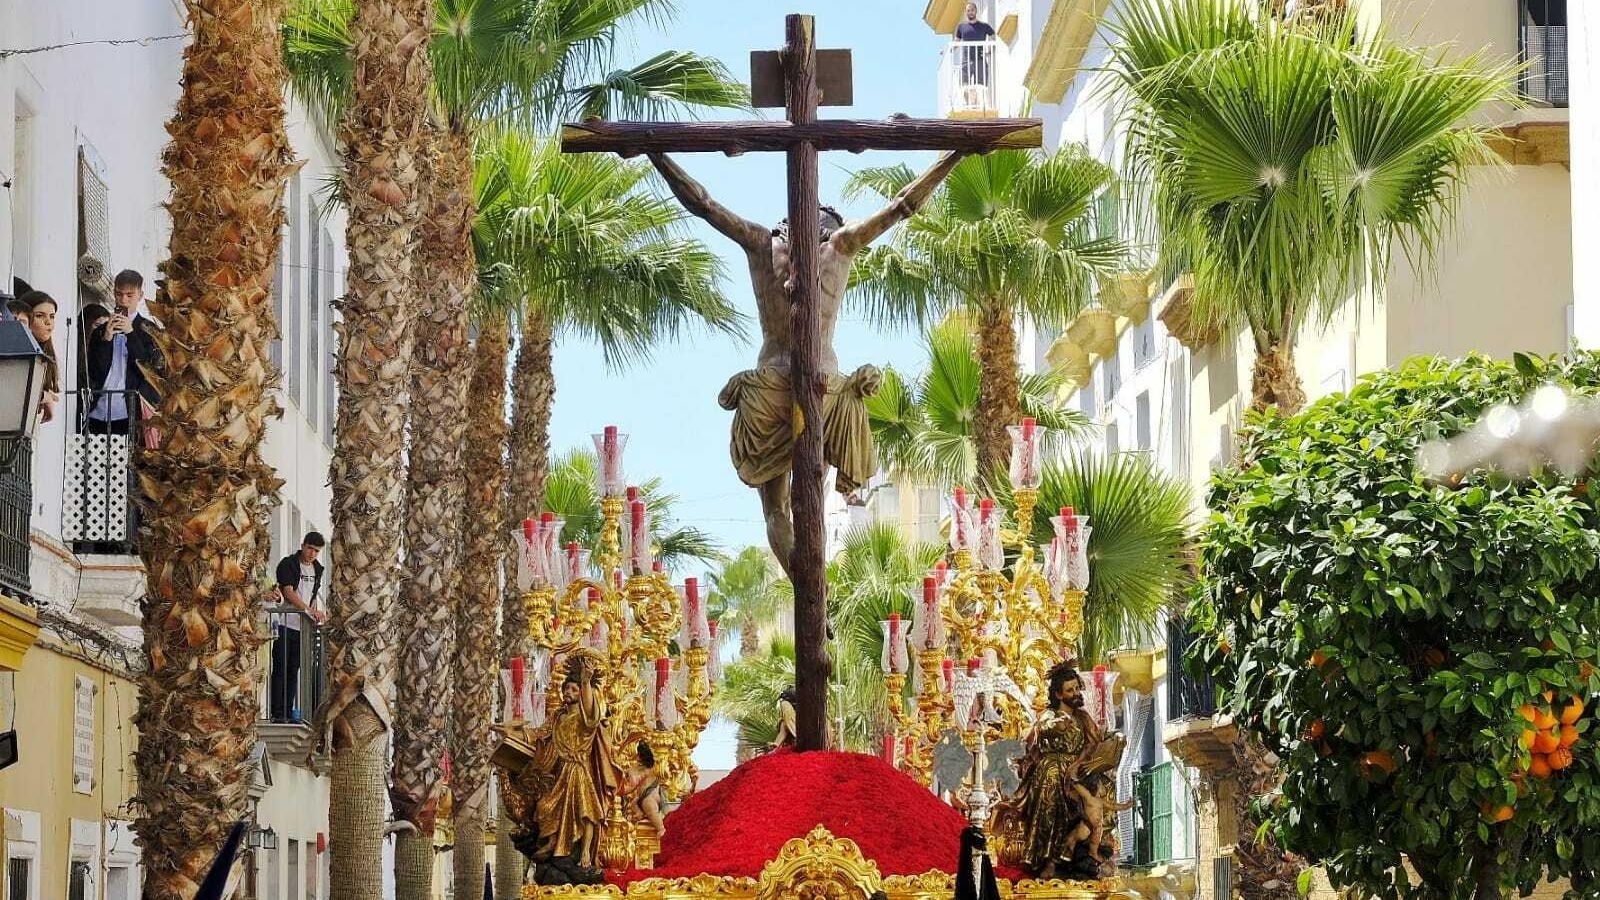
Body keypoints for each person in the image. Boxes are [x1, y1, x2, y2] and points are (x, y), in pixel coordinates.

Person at [647, 151, 967, 577]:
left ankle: (806, 585)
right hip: (824, 385)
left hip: (770, 389)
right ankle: (813, 592)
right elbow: (902, 206)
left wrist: (655, 152)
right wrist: (957, 153)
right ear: (826, 226)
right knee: (809, 492)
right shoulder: (840, 246)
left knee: (776, 509)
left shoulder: (761, 243)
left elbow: (703, 204)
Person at [1013, 661, 1125, 879]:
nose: (1075, 693)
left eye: (1076, 688)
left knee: (1104, 789)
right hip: (1053, 769)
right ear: (1058, 694)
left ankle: (1084, 846)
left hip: (1080, 770)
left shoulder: (1082, 718)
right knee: (1052, 789)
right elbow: (1041, 729)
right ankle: (1050, 859)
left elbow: (1096, 741)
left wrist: (1110, 745)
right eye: (1069, 690)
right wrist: (1056, 725)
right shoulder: (1050, 715)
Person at [85, 269, 162, 436]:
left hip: (130, 412)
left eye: (129, 295)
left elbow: (149, 369)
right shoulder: (101, 331)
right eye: (119, 294)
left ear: (140, 295)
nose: (123, 300)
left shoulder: (150, 329)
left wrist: (131, 333)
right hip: (98, 410)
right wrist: (106, 339)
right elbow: (94, 371)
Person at [271, 531, 326, 722]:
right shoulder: (289, 564)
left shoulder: (318, 569)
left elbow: (312, 596)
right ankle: (278, 713)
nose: (312, 554)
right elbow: (288, 592)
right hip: (286, 624)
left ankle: (288, 711)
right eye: (310, 548)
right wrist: (309, 611)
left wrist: (315, 613)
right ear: (303, 545)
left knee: (293, 670)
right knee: (280, 668)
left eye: (316, 551)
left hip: (303, 628)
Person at [20, 291, 59, 424]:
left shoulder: (46, 354)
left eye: (52, 316)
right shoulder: (20, 351)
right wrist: (44, 397)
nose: (48, 322)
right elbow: (18, 389)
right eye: (40, 316)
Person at [954, 2, 996, 103]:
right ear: (966, 12)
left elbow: (994, 37)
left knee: (981, 86)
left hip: (980, 60)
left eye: (972, 10)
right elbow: (956, 42)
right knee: (964, 86)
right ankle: (969, 105)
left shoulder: (984, 26)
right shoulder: (961, 27)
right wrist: (948, 50)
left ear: (976, 11)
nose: (970, 12)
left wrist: (990, 50)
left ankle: (978, 105)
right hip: (966, 61)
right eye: (968, 11)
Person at [622, 741, 666, 837]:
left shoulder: (650, 769)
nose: (637, 757)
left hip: (651, 795)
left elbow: (633, 784)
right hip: (642, 796)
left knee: (649, 807)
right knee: (634, 803)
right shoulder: (637, 767)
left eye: (639, 755)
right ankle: (640, 814)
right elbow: (630, 773)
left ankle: (661, 828)